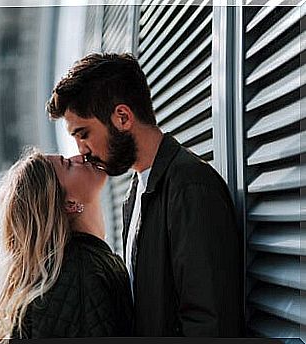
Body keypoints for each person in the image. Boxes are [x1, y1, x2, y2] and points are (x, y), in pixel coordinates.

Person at [46, 53, 243, 337]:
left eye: (84, 133)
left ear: (122, 117)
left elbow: (212, 326)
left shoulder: (189, 187)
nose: (81, 151)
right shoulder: (135, 195)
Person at [0, 148, 133, 341]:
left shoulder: (78, 264)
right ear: (69, 204)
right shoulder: (81, 273)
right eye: (68, 164)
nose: (80, 156)